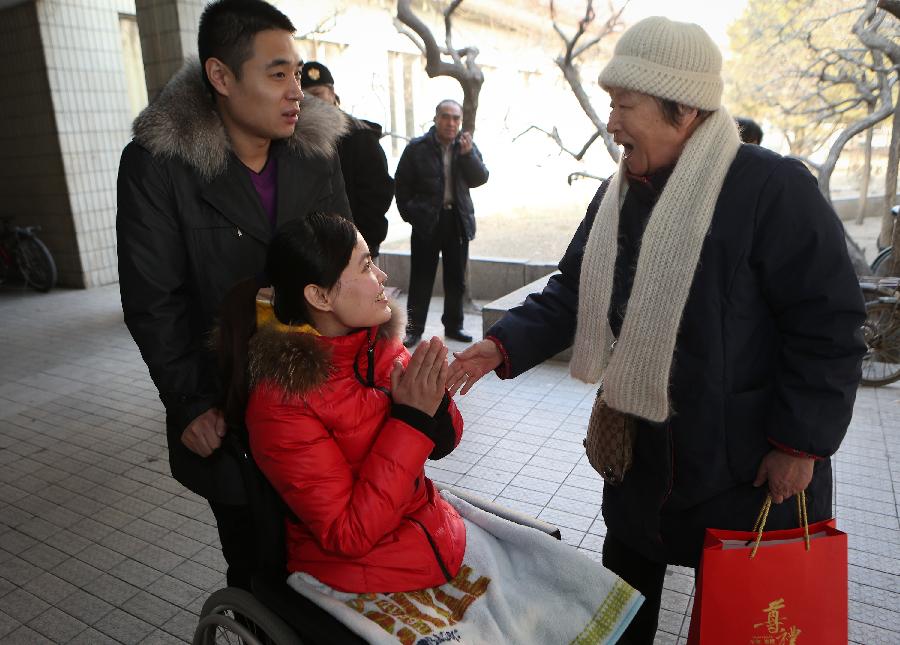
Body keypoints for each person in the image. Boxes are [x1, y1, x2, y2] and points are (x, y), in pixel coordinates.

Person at [447, 16, 865, 644]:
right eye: (611, 102)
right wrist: (501, 345)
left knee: (736, 614)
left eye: (625, 104)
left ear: (684, 108)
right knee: (628, 602)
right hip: (643, 447)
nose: (611, 121)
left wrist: (799, 445)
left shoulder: (770, 189)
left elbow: (829, 323)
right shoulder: (619, 193)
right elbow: (573, 287)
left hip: (744, 457)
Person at [215, 214, 643, 643]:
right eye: (365, 266)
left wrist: (435, 409)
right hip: (357, 573)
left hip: (431, 536)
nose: (381, 275)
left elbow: (445, 442)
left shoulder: (376, 345)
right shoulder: (281, 403)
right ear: (320, 296)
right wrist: (411, 420)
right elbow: (348, 535)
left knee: (600, 607)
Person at [116, 0, 350, 591]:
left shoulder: (315, 154)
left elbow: (346, 265)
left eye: (297, 73)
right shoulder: (158, 167)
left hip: (324, 399)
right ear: (221, 77)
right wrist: (191, 403)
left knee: (335, 556)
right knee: (261, 565)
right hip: (230, 405)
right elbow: (155, 298)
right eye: (277, 74)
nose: (295, 90)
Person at [395, 99, 489, 348]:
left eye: (456, 118)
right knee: (421, 278)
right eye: (446, 117)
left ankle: (454, 325)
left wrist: (468, 156)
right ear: (436, 119)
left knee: (456, 278)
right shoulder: (417, 148)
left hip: (456, 219)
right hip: (426, 220)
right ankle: (414, 330)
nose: (451, 123)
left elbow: (480, 178)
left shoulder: (466, 146)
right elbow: (402, 184)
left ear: (460, 122)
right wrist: (411, 214)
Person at [300, 61, 395, 258]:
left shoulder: (359, 135)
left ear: (332, 93)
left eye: (317, 94)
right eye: (305, 95)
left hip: (356, 246)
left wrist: (362, 241)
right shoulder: (295, 137)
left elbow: (378, 194)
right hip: (313, 248)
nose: (312, 101)